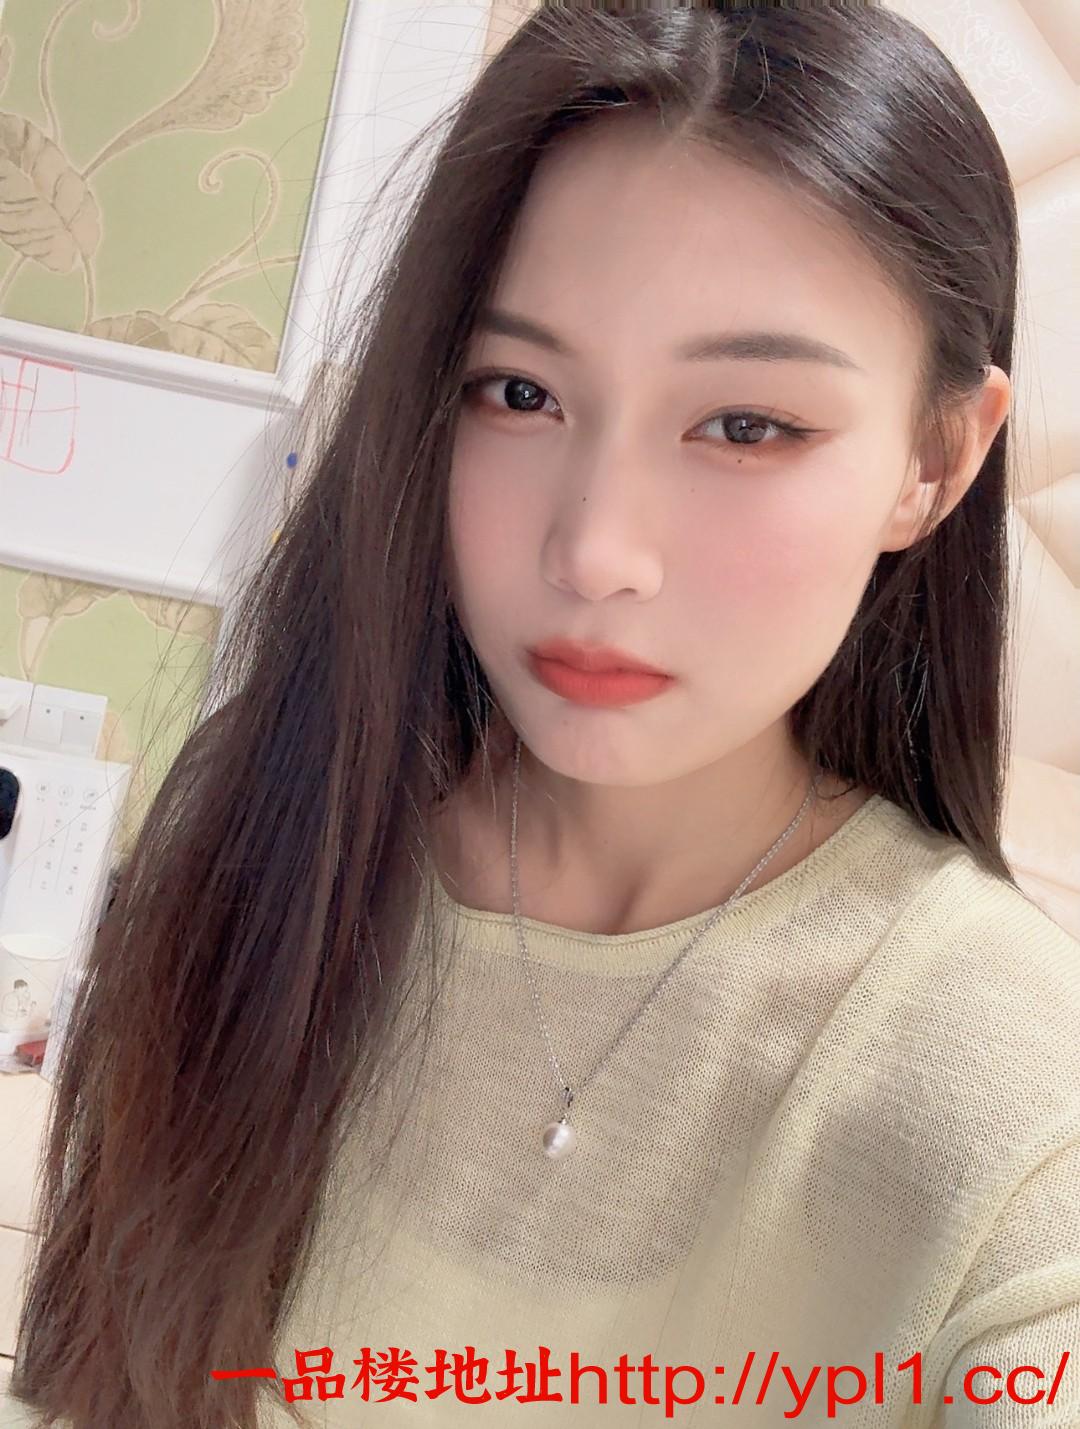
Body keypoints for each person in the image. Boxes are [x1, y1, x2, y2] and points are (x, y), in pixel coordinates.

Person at [7, 4, 1079, 1427]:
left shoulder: (1011, 1093)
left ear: (934, 460)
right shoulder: (271, 852)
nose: (593, 551)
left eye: (747, 425)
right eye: (519, 393)